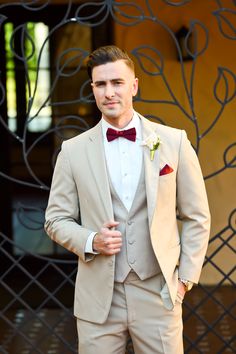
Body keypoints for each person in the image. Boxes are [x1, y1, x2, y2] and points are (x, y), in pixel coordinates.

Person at [45, 45, 211, 354]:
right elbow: (55, 220)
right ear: (93, 89)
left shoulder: (173, 141)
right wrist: (92, 240)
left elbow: (197, 215)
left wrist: (184, 281)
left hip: (158, 291)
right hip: (98, 299)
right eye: (101, 84)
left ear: (133, 85)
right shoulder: (73, 150)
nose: (109, 92)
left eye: (117, 83)